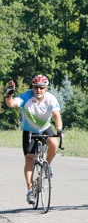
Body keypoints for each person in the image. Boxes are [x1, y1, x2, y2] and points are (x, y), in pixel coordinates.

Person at [5, 75, 63, 203]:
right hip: (29, 130)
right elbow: (11, 104)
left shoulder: (50, 98)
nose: (38, 90)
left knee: (54, 144)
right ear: (33, 87)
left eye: (41, 87)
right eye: (36, 87)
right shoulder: (27, 96)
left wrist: (59, 129)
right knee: (29, 159)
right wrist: (9, 95)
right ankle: (30, 190)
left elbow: (56, 115)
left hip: (45, 128)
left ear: (46, 88)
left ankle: (47, 165)